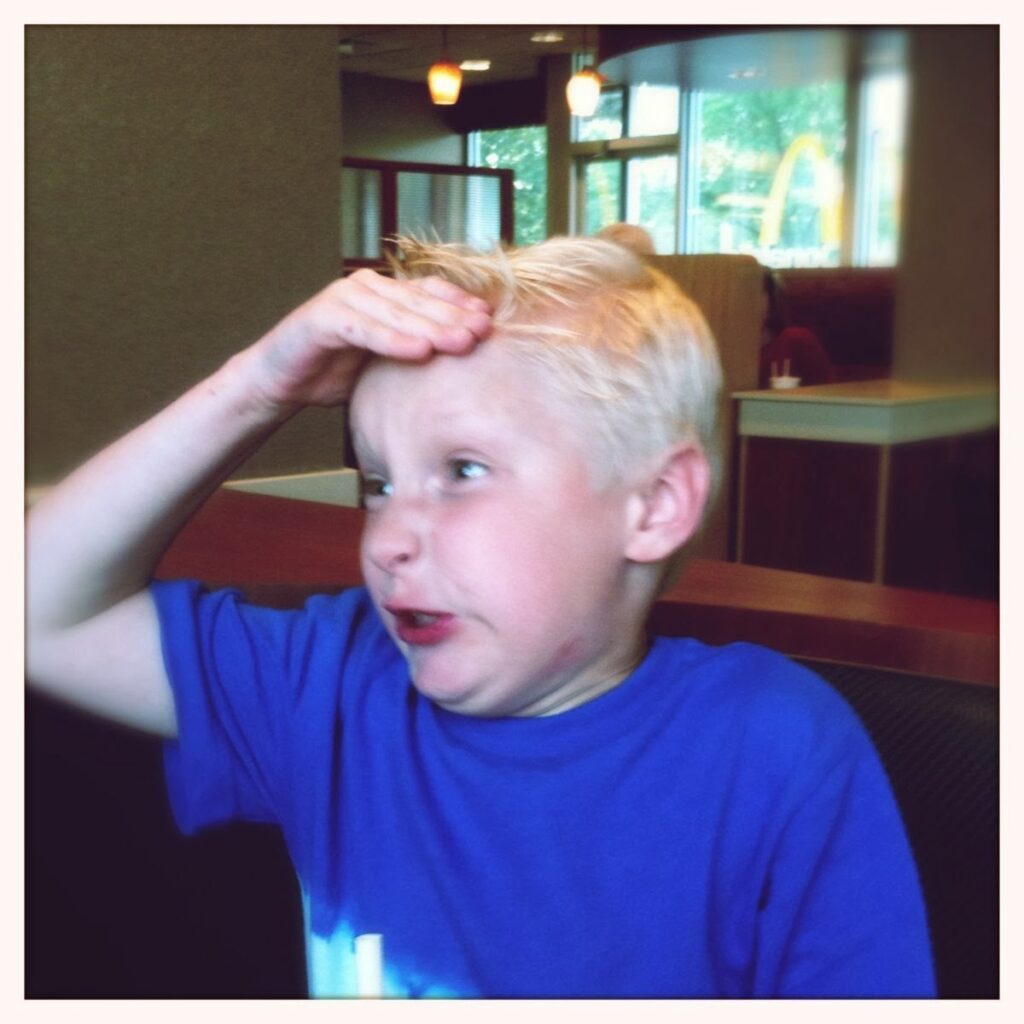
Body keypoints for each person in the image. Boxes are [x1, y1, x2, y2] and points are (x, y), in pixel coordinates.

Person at [26, 237, 934, 998]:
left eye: (462, 470)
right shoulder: (332, 685)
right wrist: (257, 385)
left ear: (654, 506)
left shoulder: (775, 749)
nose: (387, 539)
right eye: (378, 482)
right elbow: (36, 614)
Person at [757, 268, 837, 388]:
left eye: (754, 294)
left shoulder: (796, 340)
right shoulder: (729, 351)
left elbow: (829, 392)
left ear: (772, 300)